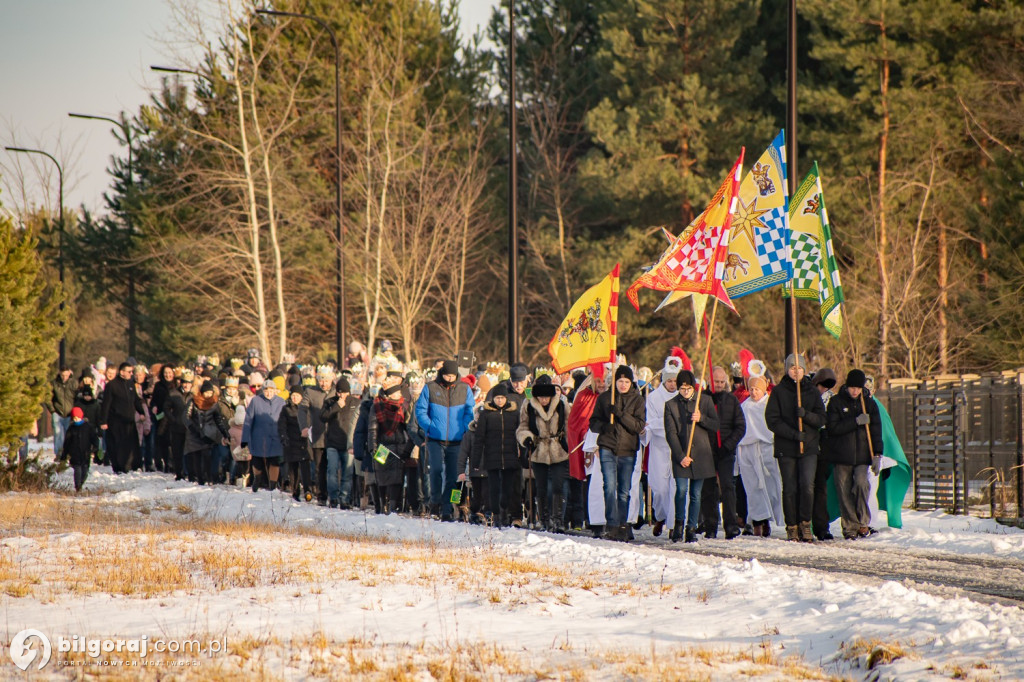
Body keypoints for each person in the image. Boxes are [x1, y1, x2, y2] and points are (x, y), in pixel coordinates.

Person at [765, 354, 827, 542]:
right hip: (787, 448)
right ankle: (791, 526)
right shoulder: (779, 392)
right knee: (790, 488)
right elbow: (772, 420)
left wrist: (805, 415)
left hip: (809, 448)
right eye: (792, 368)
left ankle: (805, 524)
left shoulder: (811, 391)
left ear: (804, 370)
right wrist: (793, 434)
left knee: (807, 486)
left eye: (799, 368)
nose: (796, 371)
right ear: (787, 369)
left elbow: (822, 419)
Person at [588, 365, 646, 542]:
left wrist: (620, 414)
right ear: (615, 382)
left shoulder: (637, 401)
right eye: (620, 381)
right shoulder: (605, 398)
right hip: (608, 447)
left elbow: (638, 426)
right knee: (609, 487)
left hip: (627, 450)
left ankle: (623, 524)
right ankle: (612, 524)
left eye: (626, 381)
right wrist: (605, 426)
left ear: (631, 383)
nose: (623, 384)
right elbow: (593, 422)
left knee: (624, 490)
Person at [825, 369, 883, 539]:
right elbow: (833, 428)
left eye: (858, 388)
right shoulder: (836, 402)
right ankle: (850, 526)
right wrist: (855, 421)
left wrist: (877, 454)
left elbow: (876, 430)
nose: (855, 391)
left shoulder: (870, 404)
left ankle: (863, 522)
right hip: (841, 455)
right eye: (852, 387)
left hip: (862, 456)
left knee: (861, 484)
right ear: (847, 386)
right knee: (843, 492)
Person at [415, 359, 475, 521]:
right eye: (447, 375)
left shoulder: (464, 389)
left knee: (452, 475)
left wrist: (464, 428)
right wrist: (429, 426)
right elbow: (420, 410)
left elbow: (470, 411)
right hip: (435, 438)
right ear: (442, 374)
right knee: (435, 471)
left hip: (456, 440)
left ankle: (447, 508)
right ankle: (435, 502)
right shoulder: (430, 387)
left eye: (452, 375)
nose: (449, 378)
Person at [664, 370, 719, 542]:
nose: (685, 391)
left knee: (696, 494)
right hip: (681, 455)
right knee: (681, 490)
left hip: (701, 456)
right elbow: (671, 433)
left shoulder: (705, 400)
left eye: (688, 388)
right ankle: (679, 524)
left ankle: (691, 527)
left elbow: (716, 425)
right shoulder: (671, 405)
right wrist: (680, 456)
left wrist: (702, 418)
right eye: (682, 388)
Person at [517, 375, 569, 532]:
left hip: (558, 448)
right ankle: (544, 519)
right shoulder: (528, 405)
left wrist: (568, 442)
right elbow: (522, 426)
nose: (543, 400)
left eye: (546, 397)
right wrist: (526, 438)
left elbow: (568, 424)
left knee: (558, 485)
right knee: (541, 486)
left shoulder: (561, 404)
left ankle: (558, 520)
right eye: (541, 397)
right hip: (538, 448)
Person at [701, 367, 746, 539]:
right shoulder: (703, 400)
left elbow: (741, 426)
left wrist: (728, 445)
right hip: (707, 451)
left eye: (721, 382)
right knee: (708, 489)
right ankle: (710, 525)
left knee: (728, 487)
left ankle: (731, 525)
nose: (719, 385)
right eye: (715, 382)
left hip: (726, 451)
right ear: (709, 381)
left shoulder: (731, 400)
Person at [736, 375, 783, 536]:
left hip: (766, 448)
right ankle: (757, 520)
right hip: (747, 449)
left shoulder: (770, 405)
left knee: (769, 485)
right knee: (752, 486)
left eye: (757, 389)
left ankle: (768, 519)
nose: (754, 392)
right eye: (752, 389)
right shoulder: (744, 407)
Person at [471, 384, 522, 527]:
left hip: (510, 456)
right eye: (497, 398)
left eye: (502, 398)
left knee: (507, 488)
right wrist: (476, 461)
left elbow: (520, 435)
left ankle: (505, 511)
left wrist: (522, 455)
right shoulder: (486, 415)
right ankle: (496, 515)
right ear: (493, 399)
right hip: (492, 456)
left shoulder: (514, 414)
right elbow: (479, 439)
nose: (500, 401)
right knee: (493, 488)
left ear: (506, 398)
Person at [643, 354, 683, 537]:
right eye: (670, 381)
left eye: (676, 381)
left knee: (675, 486)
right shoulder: (653, 398)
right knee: (660, 489)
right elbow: (651, 422)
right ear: (664, 381)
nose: (673, 384)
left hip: (677, 448)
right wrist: (668, 424)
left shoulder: (683, 398)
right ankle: (660, 516)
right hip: (659, 447)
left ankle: (674, 524)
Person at [366, 372, 414, 513]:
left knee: (396, 479)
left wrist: (408, 447)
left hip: (398, 447)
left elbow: (408, 427)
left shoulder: (402, 407)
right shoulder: (377, 407)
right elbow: (372, 429)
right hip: (382, 447)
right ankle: (382, 504)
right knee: (382, 477)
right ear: (391, 394)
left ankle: (393, 506)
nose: (400, 394)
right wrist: (372, 447)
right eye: (397, 392)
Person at [99, 362, 146, 474]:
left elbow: (135, 399)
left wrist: (141, 412)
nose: (131, 374)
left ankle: (130, 465)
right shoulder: (112, 385)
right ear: (122, 372)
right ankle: (119, 467)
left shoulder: (130, 384)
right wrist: (103, 421)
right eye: (129, 372)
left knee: (130, 445)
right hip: (116, 421)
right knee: (117, 445)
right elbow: (106, 404)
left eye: (131, 372)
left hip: (129, 420)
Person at [241, 377, 286, 492]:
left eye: (271, 390)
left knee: (274, 461)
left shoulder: (281, 402)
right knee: (257, 461)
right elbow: (248, 420)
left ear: (275, 391)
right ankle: (257, 479)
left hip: (276, 437)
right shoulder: (256, 401)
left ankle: (273, 484)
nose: (268, 393)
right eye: (266, 390)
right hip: (259, 437)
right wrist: (245, 438)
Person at [321, 376, 360, 508]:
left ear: (349, 392)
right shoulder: (330, 402)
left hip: (349, 444)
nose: (341, 395)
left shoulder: (355, 402)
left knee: (347, 473)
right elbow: (323, 417)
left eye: (344, 392)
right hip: (332, 443)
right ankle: (333, 498)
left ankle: (344, 499)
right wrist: (337, 406)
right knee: (332, 471)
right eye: (339, 392)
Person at [184, 380, 230, 485]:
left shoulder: (214, 403)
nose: (209, 395)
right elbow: (186, 417)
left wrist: (225, 433)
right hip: (194, 433)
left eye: (210, 392)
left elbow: (218, 420)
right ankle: (200, 479)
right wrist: (193, 428)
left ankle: (209, 478)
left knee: (207, 456)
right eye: (207, 392)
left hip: (208, 434)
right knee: (196, 456)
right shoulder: (193, 401)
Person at [811, 368, 838, 540]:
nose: (823, 390)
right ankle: (803, 523)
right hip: (807, 443)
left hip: (824, 446)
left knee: (820, 487)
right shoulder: (807, 396)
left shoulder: (832, 400)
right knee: (806, 486)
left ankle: (821, 526)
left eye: (826, 387)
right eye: (821, 386)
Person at [303, 366, 335, 505]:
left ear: (332, 379)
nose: (324, 383)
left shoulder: (337, 392)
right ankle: (321, 495)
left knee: (333, 468)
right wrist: (304, 426)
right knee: (320, 467)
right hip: (317, 436)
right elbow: (303, 410)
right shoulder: (310, 392)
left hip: (334, 437)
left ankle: (334, 495)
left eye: (326, 380)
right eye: (321, 380)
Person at [279, 387, 313, 501]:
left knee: (305, 467)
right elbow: (282, 425)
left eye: (297, 395)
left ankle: (308, 490)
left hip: (304, 441)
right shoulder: (286, 409)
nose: (294, 398)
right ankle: (295, 490)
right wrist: (283, 437)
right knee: (293, 469)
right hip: (291, 441)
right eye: (293, 395)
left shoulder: (306, 409)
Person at [60, 407, 98, 492]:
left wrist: (95, 448)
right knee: (77, 470)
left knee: (85, 470)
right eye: (74, 418)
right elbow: (67, 442)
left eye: (77, 417)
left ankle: (81, 482)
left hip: (86, 453)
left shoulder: (88, 427)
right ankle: (78, 486)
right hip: (74, 453)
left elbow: (94, 438)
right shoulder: (71, 428)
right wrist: (64, 454)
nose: (75, 419)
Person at [47, 365, 77, 457]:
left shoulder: (74, 383)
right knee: (57, 434)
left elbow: (76, 397)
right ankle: (58, 454)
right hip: (57, 412)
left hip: (70, 413)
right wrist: (52, 410)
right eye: (62, 375)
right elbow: (48, 398)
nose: (64, 377)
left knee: (69, 435)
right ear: (60, 374)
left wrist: (75, 412)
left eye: (66, 375)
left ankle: (67, 454)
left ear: (69, 373)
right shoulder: (54, 383)